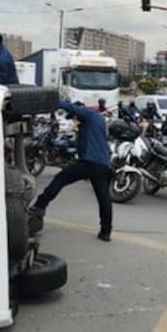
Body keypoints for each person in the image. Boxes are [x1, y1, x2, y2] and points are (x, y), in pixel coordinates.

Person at [29, 100, 112, 241]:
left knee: (60, 179)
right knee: (103, 198)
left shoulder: (88, 113)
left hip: (89, 162)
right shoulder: (98, 120)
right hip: (102, 164)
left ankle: (40, 206)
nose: (74, 120)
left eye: (74, 117)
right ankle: (106, 231)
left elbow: (70, 107)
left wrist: (53, 99)